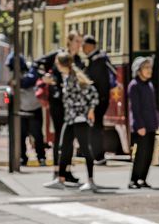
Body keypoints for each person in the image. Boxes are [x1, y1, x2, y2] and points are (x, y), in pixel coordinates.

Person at [44, 52, 99, 191]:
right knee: (64, 149)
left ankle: (91, 181)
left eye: (57, 63)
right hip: (70, 119)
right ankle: (61, 179)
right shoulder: (68, 77)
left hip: (79, 119)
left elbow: (93, 93)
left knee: (85, 149)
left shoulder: (75, 78)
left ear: (61, 64)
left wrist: (90, 110)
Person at [82, 35, 116, 164]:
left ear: (91, 46)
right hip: (101, 98)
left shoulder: (97, 60)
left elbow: (93, 80)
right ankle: (97, 154)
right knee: (96, 126)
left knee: (95, 127)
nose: (83, 49)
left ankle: (98, 155)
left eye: (84, 46)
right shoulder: (97, 59)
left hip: (98, 100)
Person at [127, 56, 159, 189]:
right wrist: (139, 125)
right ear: (138, 70)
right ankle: (133, 179)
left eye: (149, 67)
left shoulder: (149, 85)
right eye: (146, 68)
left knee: (149, 154)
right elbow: (135, 108)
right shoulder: (134, 85)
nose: (149, 70)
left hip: (151, 124)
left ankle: (143, 178)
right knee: (140, 153)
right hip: (141, 126)